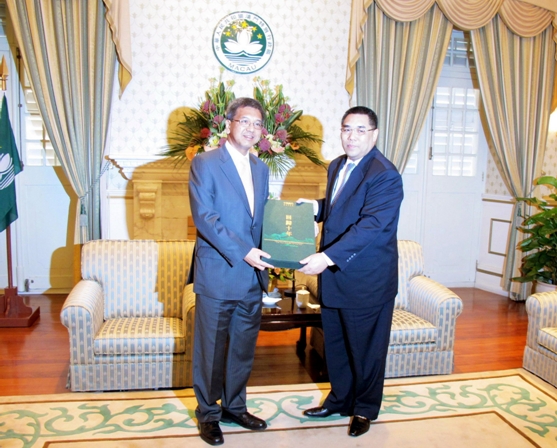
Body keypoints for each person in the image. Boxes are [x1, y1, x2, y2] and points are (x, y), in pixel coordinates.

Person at [297, 106, 403, 437]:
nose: (351, 136)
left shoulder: (385, 174)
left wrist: (327, 257)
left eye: (360, 130)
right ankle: (340, 400)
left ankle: (365, 408)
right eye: (346, 129)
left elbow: (370, 225)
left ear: (374, 134)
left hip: (366, 281)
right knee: (338, 347)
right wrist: (315, 208)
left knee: (367, 351)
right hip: (337, 279)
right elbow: (341, 205)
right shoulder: (337, 165)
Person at [188, 97, 274, 446]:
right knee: (210, 350)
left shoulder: (262, 169)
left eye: (257, 124)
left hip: (252, 277)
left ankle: (235, 407)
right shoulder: (205, 164)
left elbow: (262, 220)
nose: (251, 128)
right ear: (229, 124)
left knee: (242, 348)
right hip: (219, 273)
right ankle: (208, 414)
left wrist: (283, 251)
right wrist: (245, 253)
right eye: (245, 121)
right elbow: (206, 218)